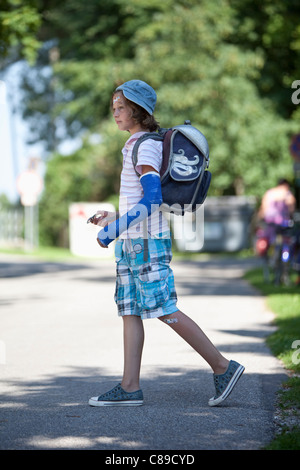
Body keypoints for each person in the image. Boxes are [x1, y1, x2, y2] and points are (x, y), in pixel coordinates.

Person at [88, 79, 244, 407]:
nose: (115, 113)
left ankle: (223, 367)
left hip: (146, 241)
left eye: (121, 108)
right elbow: (138, 201)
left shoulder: (144, 145)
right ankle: (129, 386)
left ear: (138, 111)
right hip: (132, 242)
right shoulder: (136, 144)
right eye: (113, 107)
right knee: (129, 310)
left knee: (164, 309)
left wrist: (113, 229)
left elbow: (153, 199)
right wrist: (113, 216)